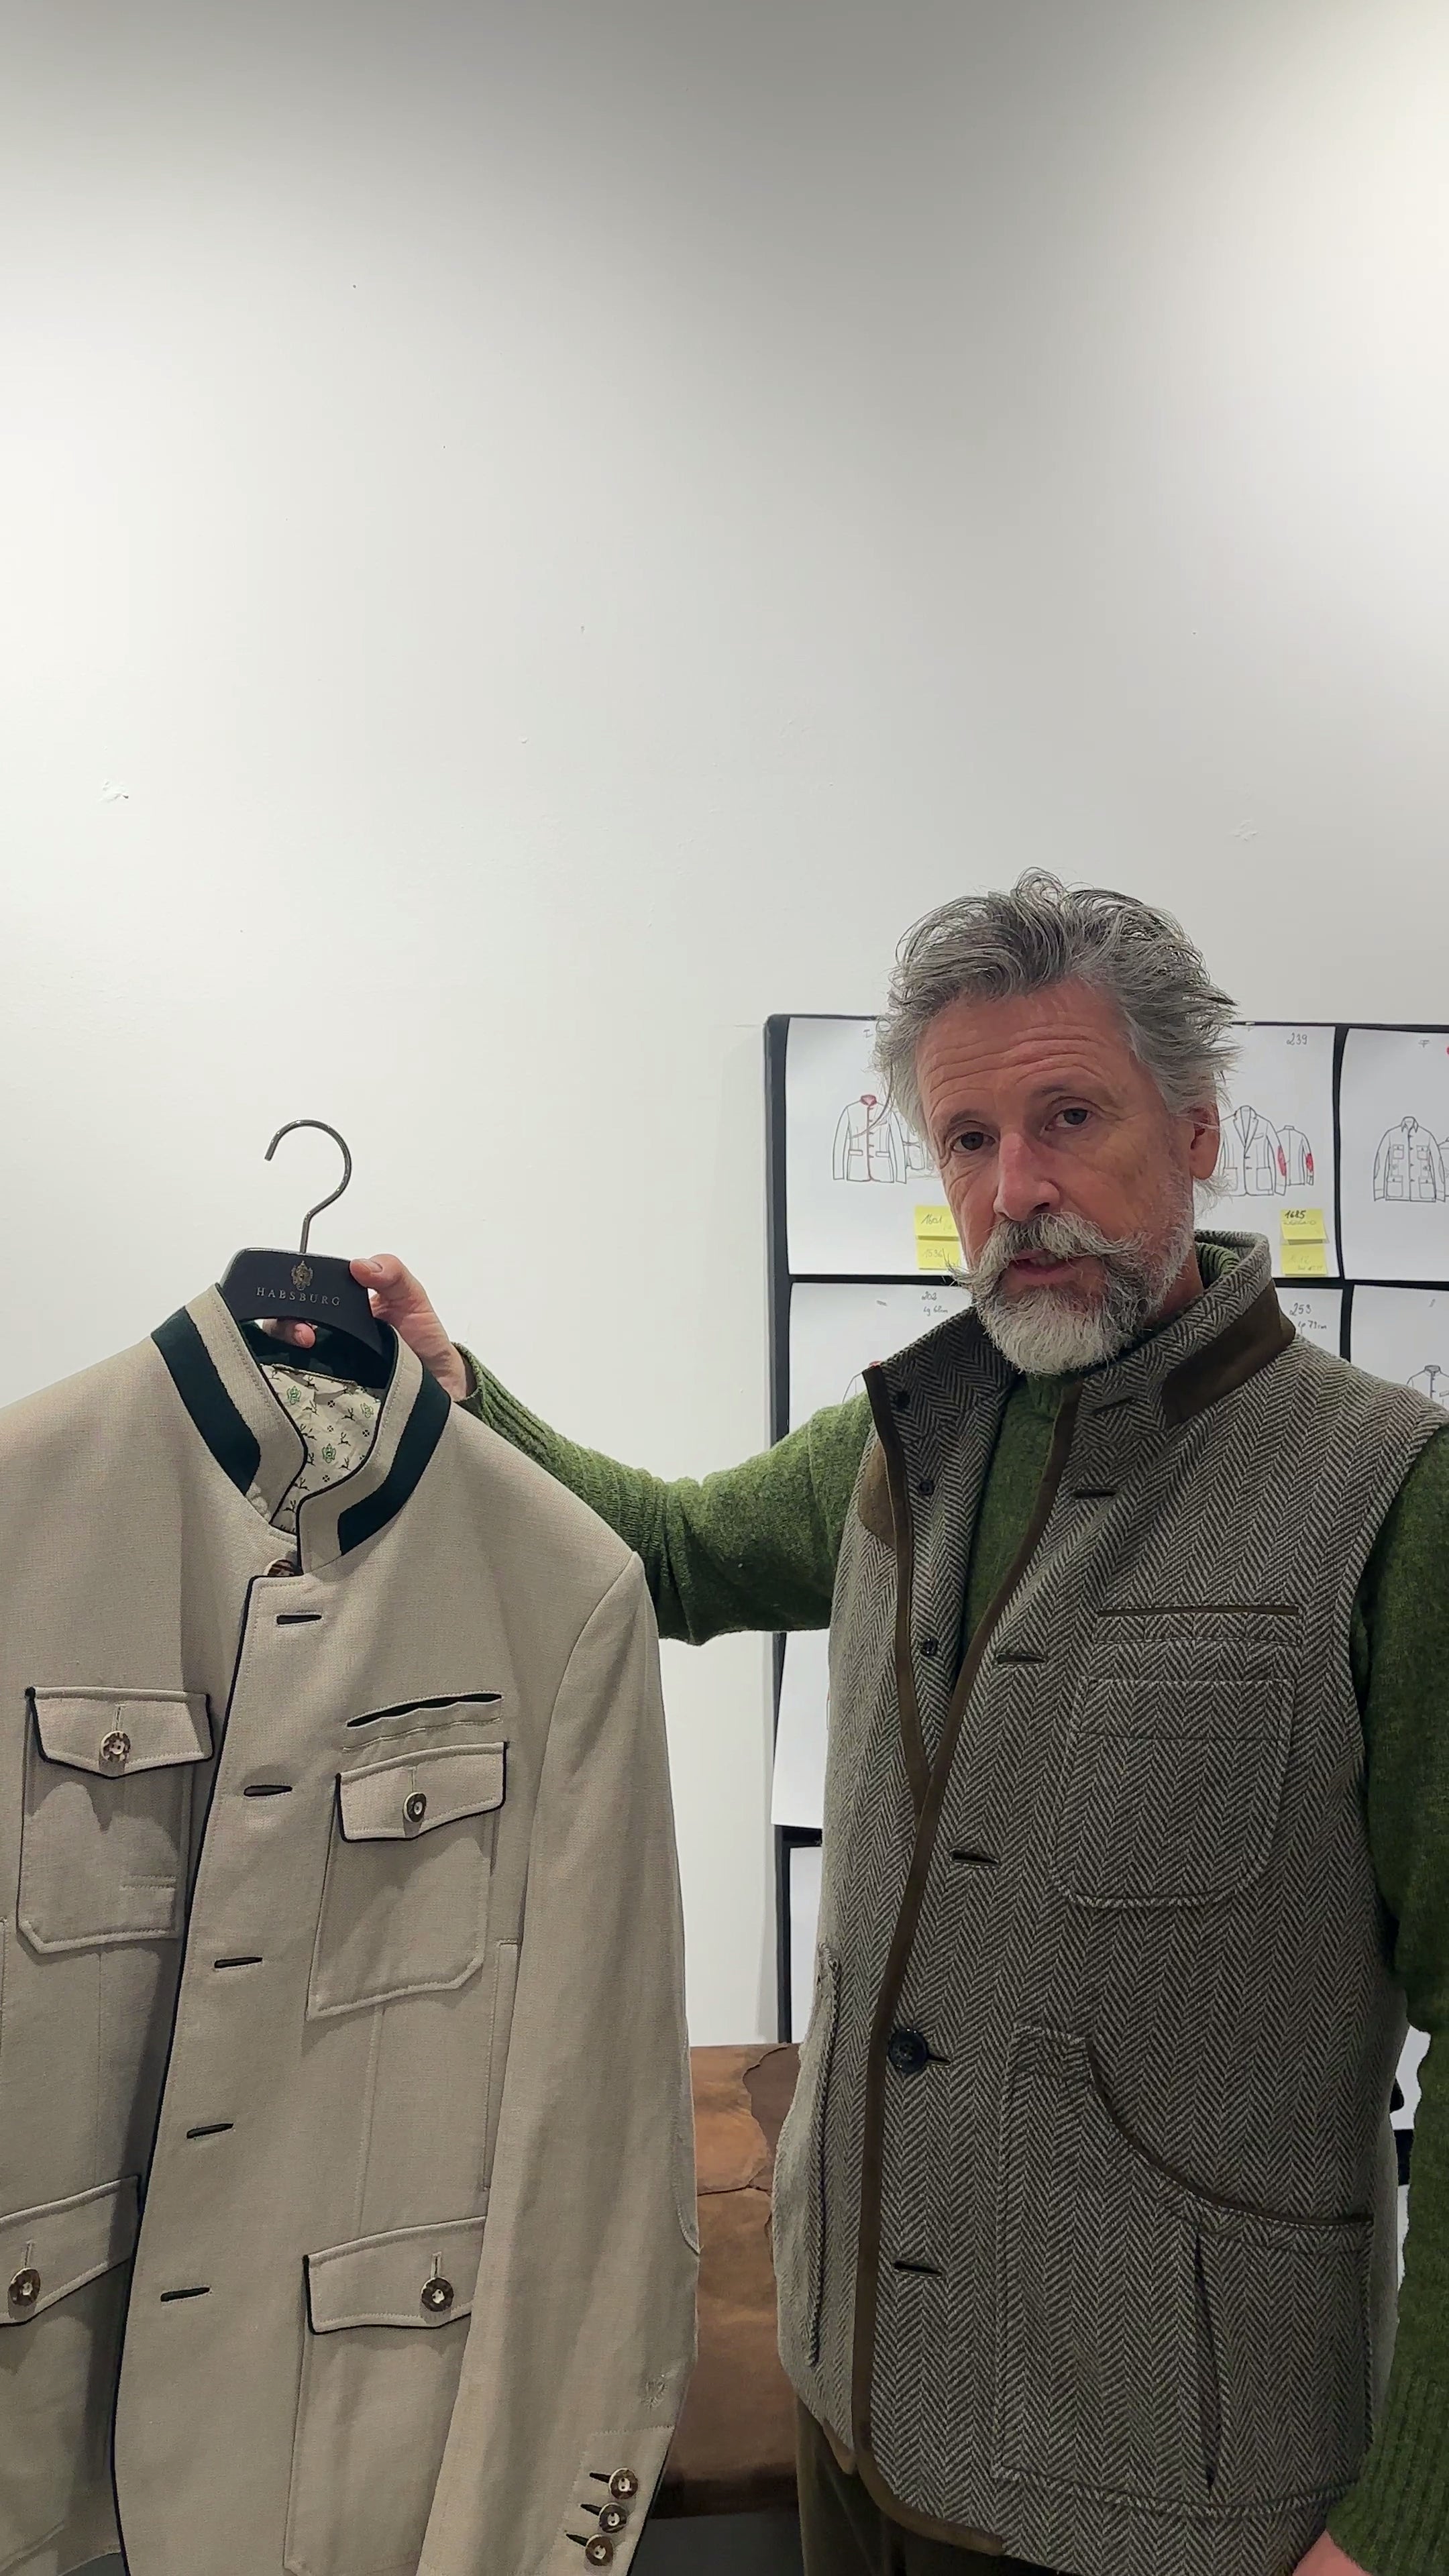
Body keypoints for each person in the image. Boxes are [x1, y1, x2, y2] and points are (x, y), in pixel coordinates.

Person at [282, 873, 1446, 2576]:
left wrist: (1407, 2525)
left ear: (1199, 1128)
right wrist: (460, 1403)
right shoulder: (913, 1435)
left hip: (1182, 2486)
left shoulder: (1384, 1493)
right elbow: (668, 1556)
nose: (1016, 1190)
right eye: (968, 1139)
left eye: (1069, 1118)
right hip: (863, 2409)